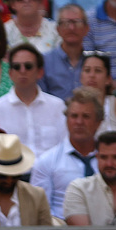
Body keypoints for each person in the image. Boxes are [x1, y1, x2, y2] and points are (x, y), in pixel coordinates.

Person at [29, 87, 103, 219]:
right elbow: (40, 211)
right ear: (66, 120)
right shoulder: (46, 161)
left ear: (98, 122)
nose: (79, 122)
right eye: (74, 116)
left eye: (86, 116)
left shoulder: (111, 159)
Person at [0, 44, 66, 157]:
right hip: (10, 172)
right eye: (17, 67)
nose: (22, 71)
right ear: (10, 73)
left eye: (28, 66)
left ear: (40, 72)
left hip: (51, 173)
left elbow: (65, 147)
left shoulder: (58, 107)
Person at [80, 52, 116, 140]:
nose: (92, 75)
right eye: (87, 70)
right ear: (81, 77)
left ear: (108, 79)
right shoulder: (74, 106)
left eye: (98, 70)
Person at [38, 5, 88, 100]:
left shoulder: (94, 60)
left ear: (86, 28)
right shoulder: (45, 61)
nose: (71, 28)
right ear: (58, 29)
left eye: (77, 22)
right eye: (66, 23)